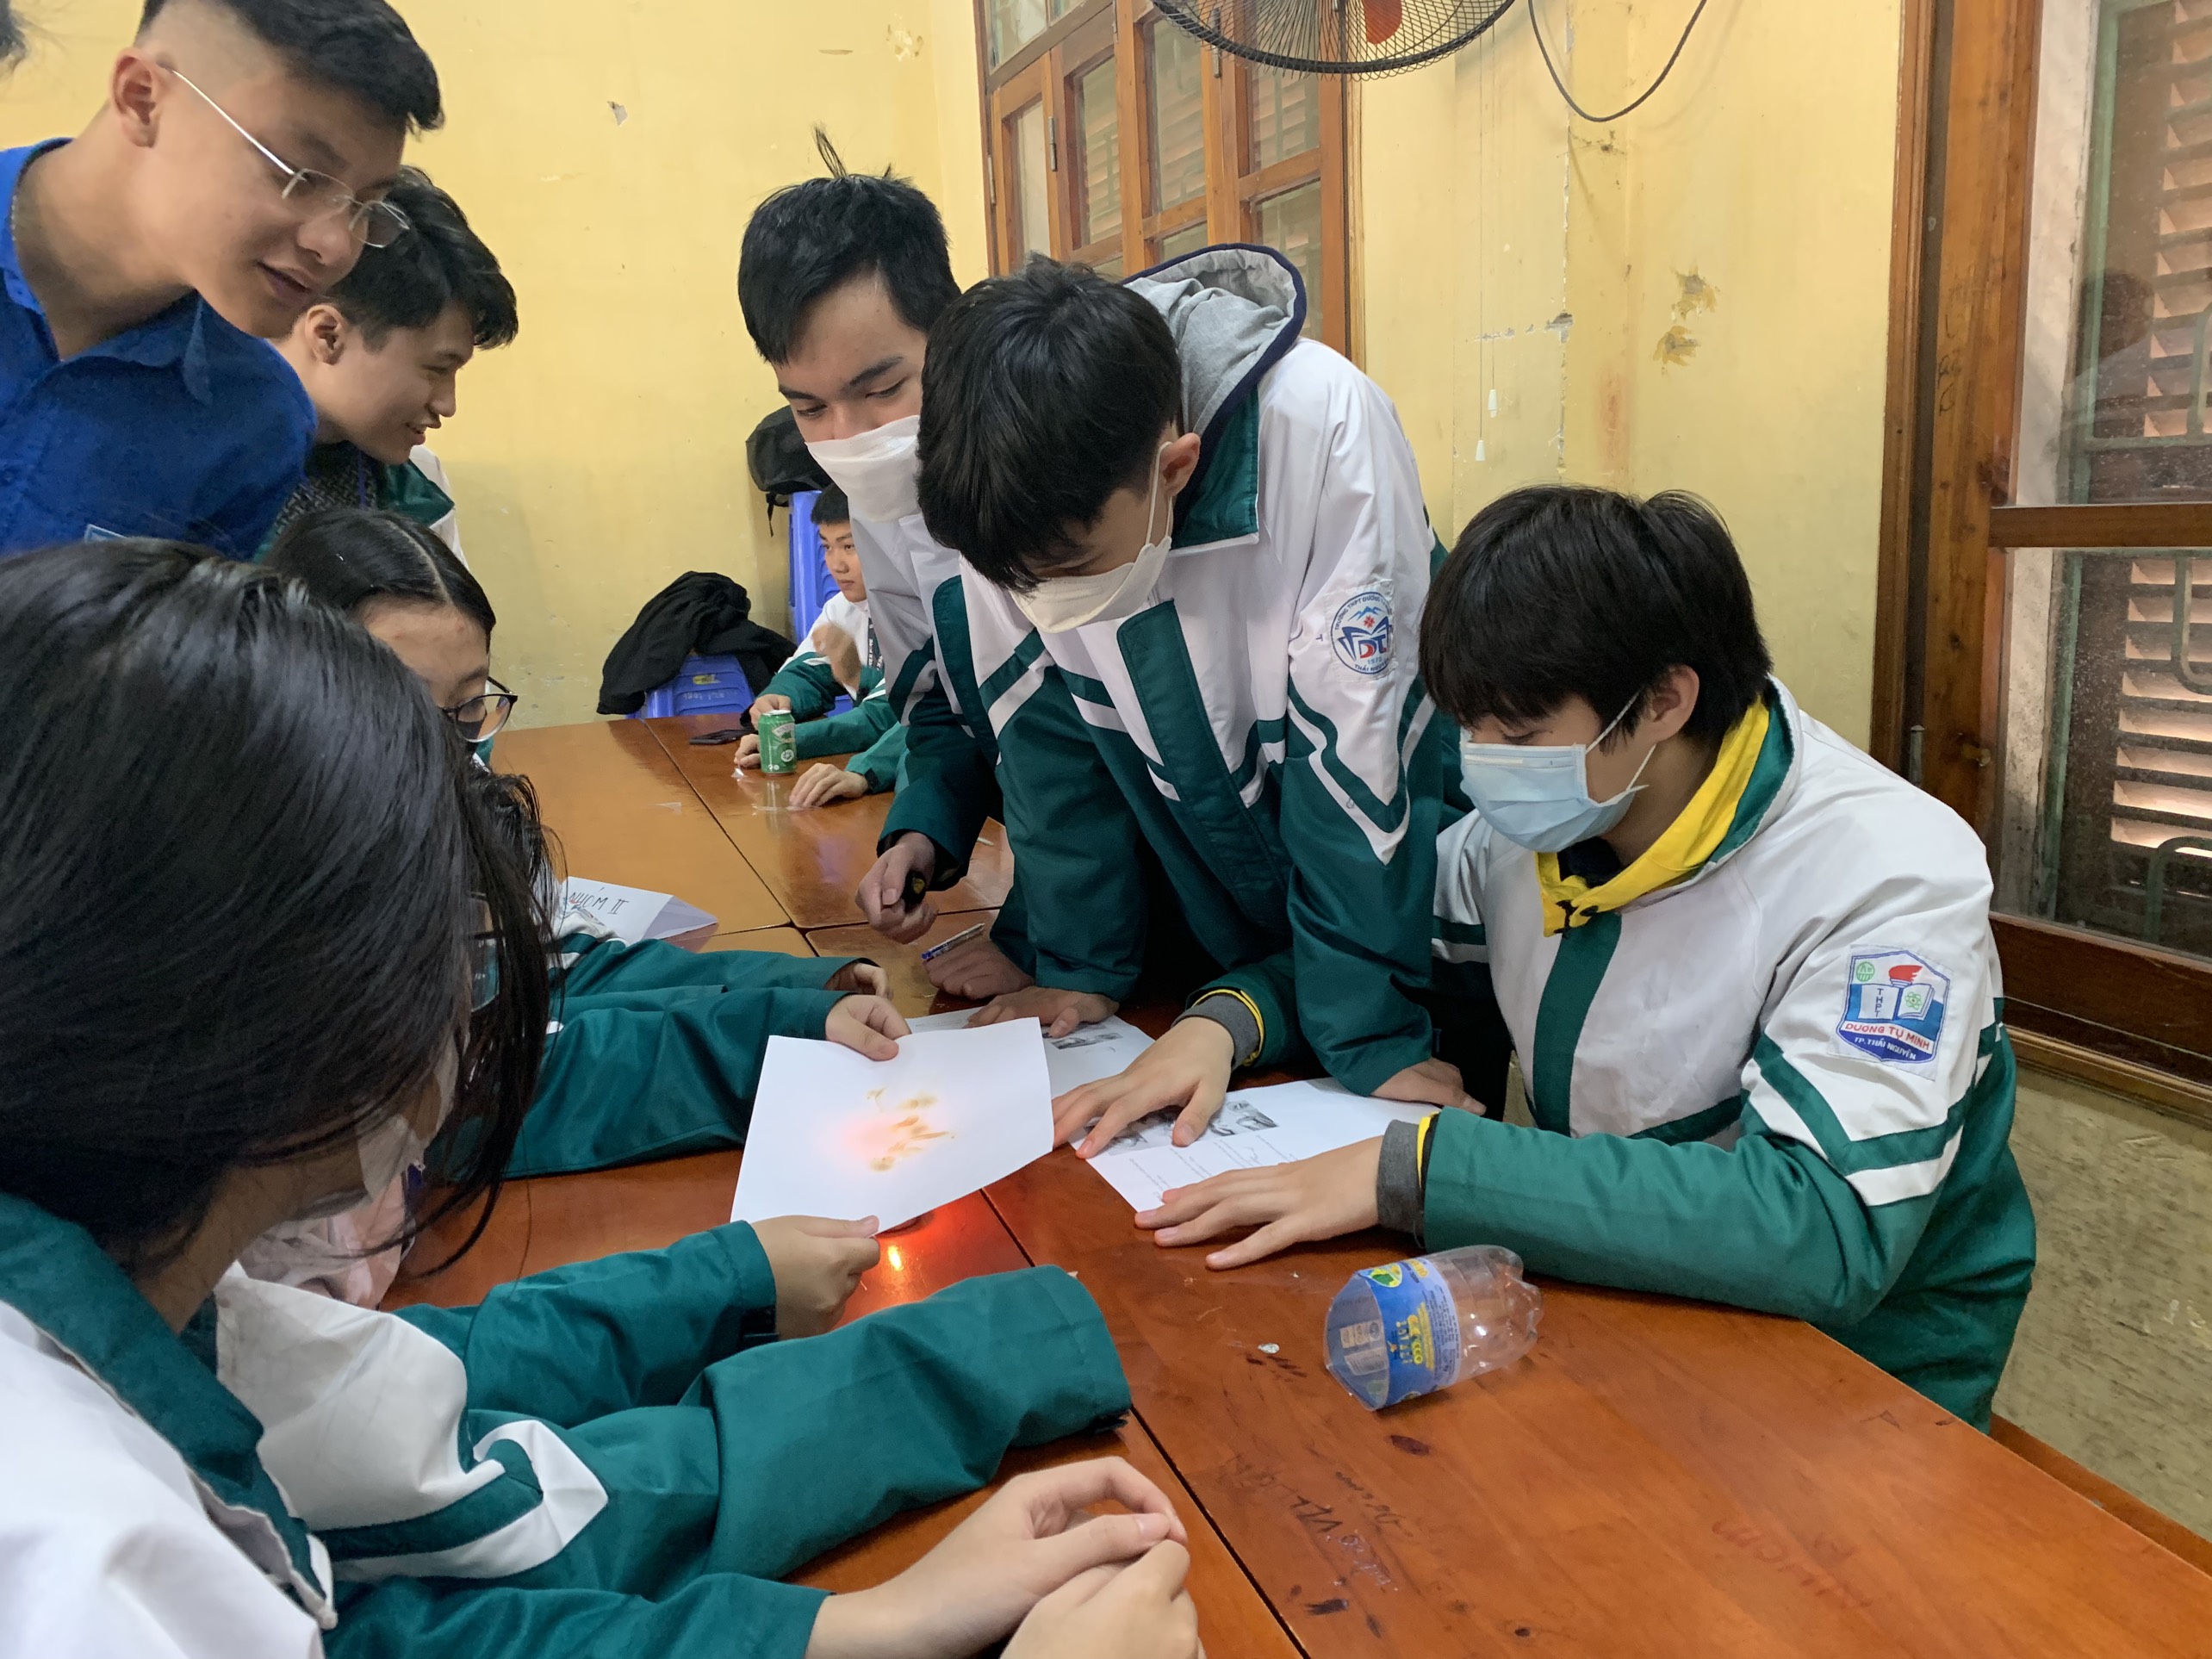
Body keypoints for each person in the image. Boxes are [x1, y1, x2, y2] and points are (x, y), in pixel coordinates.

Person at [0, 537, 1202, 1656]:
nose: (471, 1016)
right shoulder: (85, 1565)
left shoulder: (124, 1282)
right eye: (443, 946)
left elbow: (415, 1507)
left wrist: (852, 1627)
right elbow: (473, 1497)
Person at [1134, 485, 2039, 1432]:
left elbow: (1821, 1227)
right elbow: (1369, 946)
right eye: (1469, 729)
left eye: (1520, 737)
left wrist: (1423, 1171)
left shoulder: (1887, 879)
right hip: (1639, 1297)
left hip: (1863, 1374)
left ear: (1665, 700)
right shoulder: (1549, 825)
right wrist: (1224, 1022)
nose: (1485, 764)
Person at [255, 508, 900, 1301]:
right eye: (401, 710)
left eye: (469, 707)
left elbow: (525, 997)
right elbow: (490, 1086)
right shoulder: (291, 955)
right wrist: (720, 1288)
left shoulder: (428, 831)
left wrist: (796, 1008)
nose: (449, 754)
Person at [917, 253, 1469, 1138]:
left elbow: (1362, 757)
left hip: (1403, 906)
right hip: (1234, 941)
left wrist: (1369, 1031)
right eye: (1012, 579)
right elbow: (1046, 744)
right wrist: (1077, 964)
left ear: (1174, 468)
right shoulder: (1003, 486)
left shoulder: (1318, 423)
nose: (1039, 601)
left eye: (1070, 567)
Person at [737, 134, 1036, 1000]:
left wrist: (1053, 936)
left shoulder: (1040, 472)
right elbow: (938, 705)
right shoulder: (877, 501)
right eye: (808, 407)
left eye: (881, 390)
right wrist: (922, 834)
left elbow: (1072, 732)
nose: (850, 437)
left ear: (953, 336)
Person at [0, 0, 439, 558]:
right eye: (296, 175)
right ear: (142, 98)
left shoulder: (254, 421)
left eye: (365, 206)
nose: (335, 246)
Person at [267, 165, 518, 556]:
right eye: (437, 369)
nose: (447, 405)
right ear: (328, 336)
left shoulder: (419, 487)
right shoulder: (200, 475)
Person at [735, 483, 908, 807]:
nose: (836, 565)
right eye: (827, 547)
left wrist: (789, 740)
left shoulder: (923, 613)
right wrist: (781, 698)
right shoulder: (844, 607)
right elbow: (810, 669)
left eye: (849, 546)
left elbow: (887, 716)